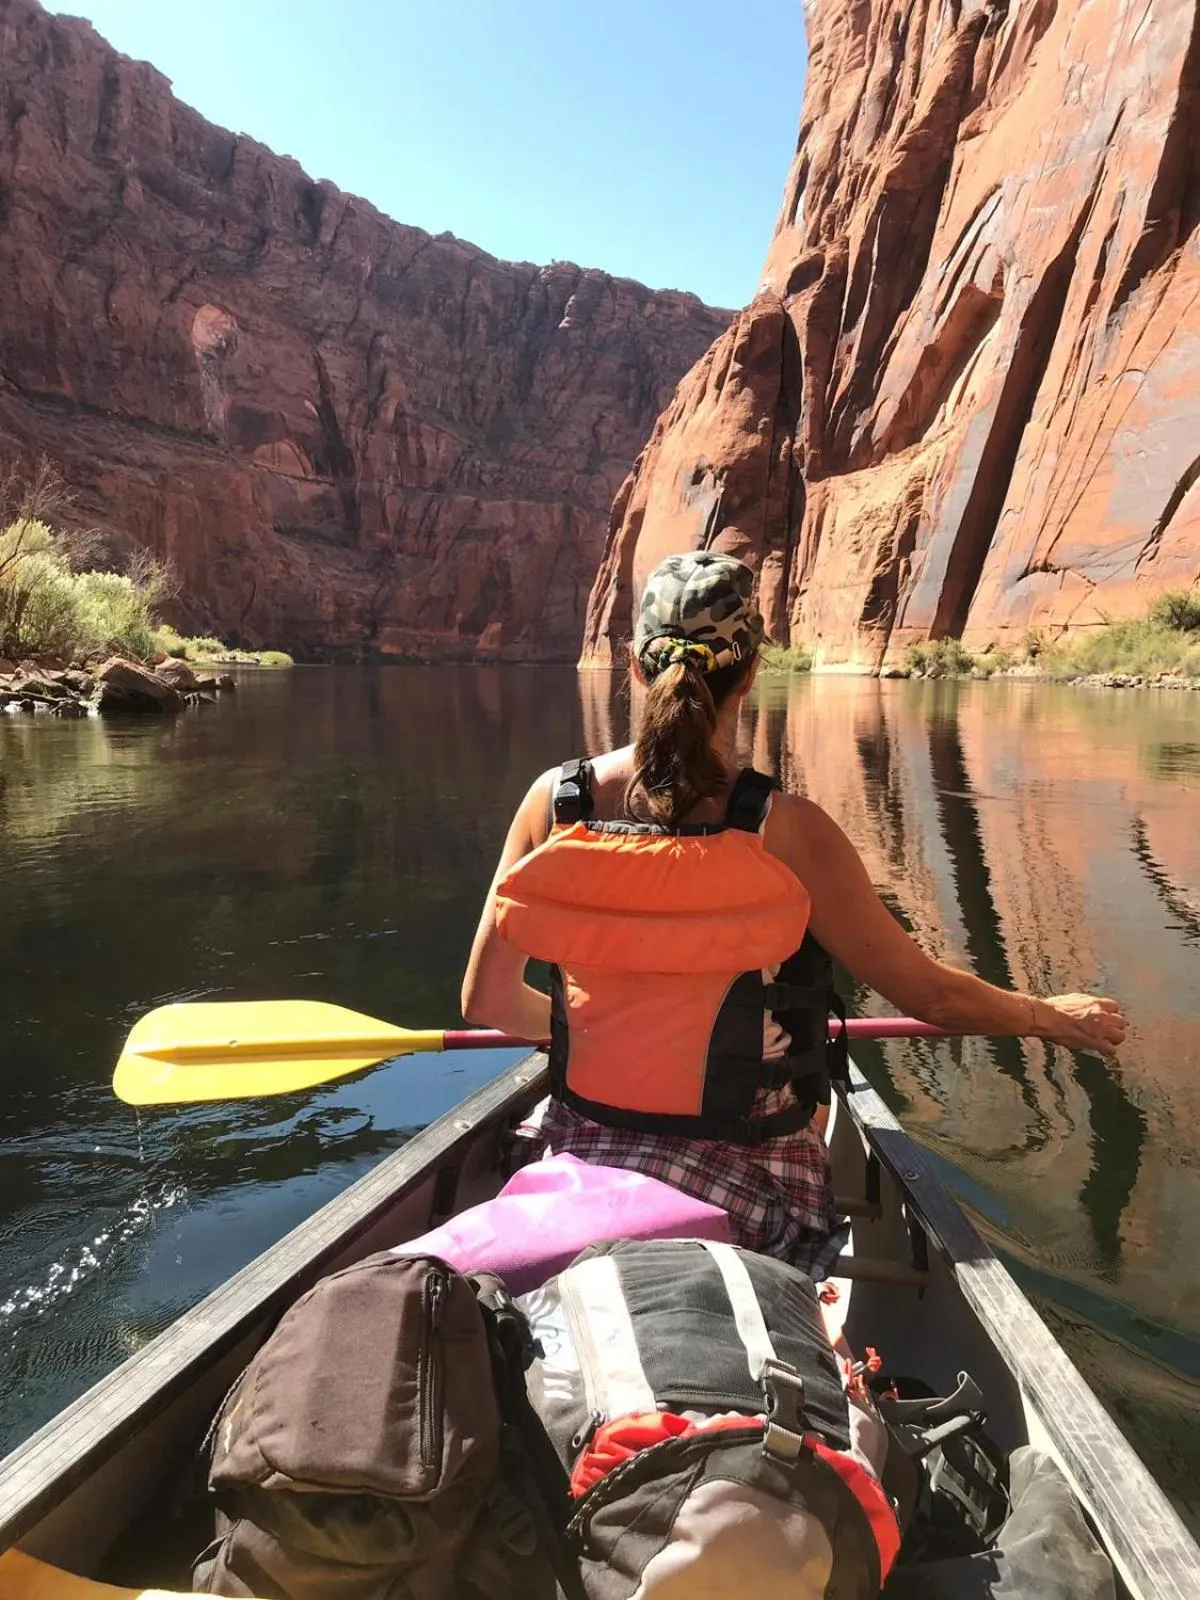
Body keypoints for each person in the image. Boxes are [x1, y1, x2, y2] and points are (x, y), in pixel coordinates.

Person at [462, 551, 1127, 1275]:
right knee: (808, 1102)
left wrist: (590, 1038)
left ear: (633, 665)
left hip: (583, 1136)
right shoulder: (790, 830)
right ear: (751, 671)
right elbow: (928, 995)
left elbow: (486, 1001)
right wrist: (1049, 1015)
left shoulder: (554, 802)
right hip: (753, 1165)